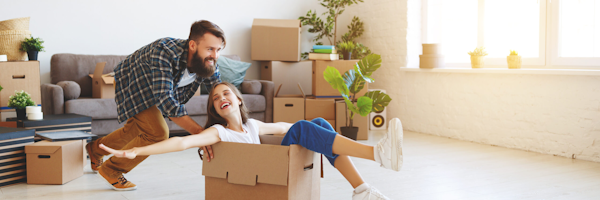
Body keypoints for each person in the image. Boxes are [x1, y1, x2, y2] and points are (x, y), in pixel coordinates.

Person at [100, 82, 404, 200]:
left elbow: (284, 125)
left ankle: (362, 190)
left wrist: (318, 131)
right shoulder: (220, 133)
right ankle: (376, 153)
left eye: (226, 93)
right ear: (214, 110)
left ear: (238, 98)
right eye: (215, 98)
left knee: (317, 124)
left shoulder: (252, 125)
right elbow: (181, 144)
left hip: (271, 168)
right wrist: (136, 151)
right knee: (302, 128)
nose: (221, 98)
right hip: (266, 173)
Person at [86, 20, 225, 191]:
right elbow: (167, 101)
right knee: (157, 133)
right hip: (133, 82)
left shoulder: (208, 62)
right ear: (192, 45)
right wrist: (200, 134)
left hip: (156, 87)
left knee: (136, 130)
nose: (215, 55)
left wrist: (232, 123)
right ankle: (112, 169)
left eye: (218, 50)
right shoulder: (165, 51)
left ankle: (95, 149)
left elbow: (221, 93)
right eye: (210, 49)